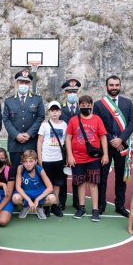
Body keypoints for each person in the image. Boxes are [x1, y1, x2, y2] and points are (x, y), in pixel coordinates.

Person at [93, 75, 133, 217]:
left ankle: (120, 205)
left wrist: (121, 139)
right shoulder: (99, 105)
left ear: (120, 86)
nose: (114, 87)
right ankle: (101, 204)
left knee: (121, 177)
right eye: (111, 85)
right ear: (107, 86)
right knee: (102, 177)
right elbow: (99, 125)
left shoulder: (128, 103)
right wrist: (112, 139)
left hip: (122, 146)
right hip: (105, 146)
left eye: (116, 85)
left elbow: (131, 124)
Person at [66, 95, 109, 221]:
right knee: (80, 183)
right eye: (83, 105)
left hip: (93, 158)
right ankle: (81, 207)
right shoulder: (73, 120)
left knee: (93, 183)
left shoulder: (97, 119)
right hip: (78, 158)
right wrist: (70, 155)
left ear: (91, 105)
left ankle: (95, 209)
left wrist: (105, 154)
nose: (85, 107)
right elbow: (68, 138)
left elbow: (103, 137)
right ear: (79, 106)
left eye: (87, 105)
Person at [2, 69, 45, 168]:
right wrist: (16, 135)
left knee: (32, 171)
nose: (24, 84)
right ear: (17, 83)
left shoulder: (37, 99)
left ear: (29, 84)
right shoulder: (9, 101)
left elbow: (40, 117)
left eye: (26, 82)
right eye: (21, 82)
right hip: (15, 144)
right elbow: (6, 120)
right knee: (15, 170)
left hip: (31, 142)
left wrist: (29, 134)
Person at [37, 101, 67, 217]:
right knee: (46, 183)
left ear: (60, 112)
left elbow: (66, 141)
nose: (54, 113)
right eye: (52, 110)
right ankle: (46, 206)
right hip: (46, 159)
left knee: (57, 184)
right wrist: (40, 158)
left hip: (58, 159)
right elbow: (40, 141)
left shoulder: (64, 125)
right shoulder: (44, 125)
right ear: (49, 112)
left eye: (56, 110)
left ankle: (55, 205)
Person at [11, 150, 57, 220]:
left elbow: (50, 187)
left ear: (35, 161)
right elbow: (18, 187)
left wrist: (38, 200)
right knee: (15, 198)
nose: (28, 164)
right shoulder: (20, 168)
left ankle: (39, 206)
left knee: (52, 198)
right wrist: (29, 200)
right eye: (25, 161)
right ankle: (26, 206)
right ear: (22, 162)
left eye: (31, 161)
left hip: (39, 192)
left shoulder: (39, 169)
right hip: (26, 192)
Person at [59, 78, 81, 210]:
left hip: (78, 147)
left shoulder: (83, 108)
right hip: (62, 147)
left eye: (74, 91)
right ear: (65, 93)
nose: (72, 94)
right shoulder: (59, 109)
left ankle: (77, 201)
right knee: (62, 175)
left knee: (77, 174)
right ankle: (62, 201)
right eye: (69, 91)